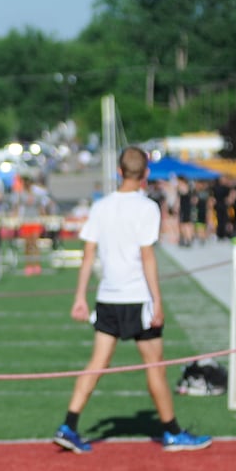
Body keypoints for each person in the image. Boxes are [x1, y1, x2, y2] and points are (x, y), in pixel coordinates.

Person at [52, 146, 210, 454]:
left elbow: (87, 256)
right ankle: (172, 433)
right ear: (146, 174)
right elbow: (147, 257)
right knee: (155, 366)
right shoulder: (148, 207)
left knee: (97, 363)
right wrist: (158, 302)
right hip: (138, 298)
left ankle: (69, 424)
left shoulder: (101, 206)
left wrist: (79, 297)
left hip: (108, 297)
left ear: (120, 172)